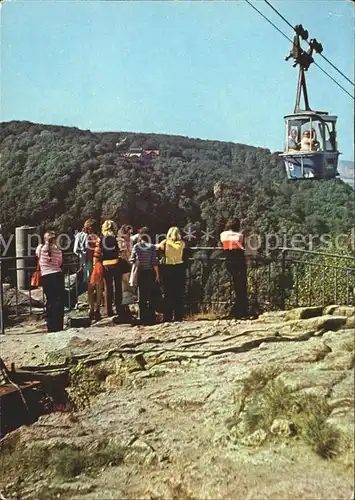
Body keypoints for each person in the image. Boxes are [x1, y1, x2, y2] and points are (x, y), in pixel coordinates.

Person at [220, 219, 248, 319]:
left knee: (235, 284)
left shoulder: (223, 234)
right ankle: (241, 309)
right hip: (239, 261)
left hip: (229, 261)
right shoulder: (240, 236)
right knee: (241, 285)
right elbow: (242, 247)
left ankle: (236, 309)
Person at [36, 231, 65, 332]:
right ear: (54, 239)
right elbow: (59, 262)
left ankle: (51, 325)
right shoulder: (58, 250)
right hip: (57, 275)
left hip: (46, 276)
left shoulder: (40, 249)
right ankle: (59, 325)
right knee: (59, 301)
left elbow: (37, 256)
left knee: (50, 300)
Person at [156, 226, 185, 322]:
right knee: (179, 293)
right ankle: (178, 315)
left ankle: (167, 315)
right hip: (179, 267)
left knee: (168, 292)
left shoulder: (165, 242)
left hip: (167, 268)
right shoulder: (182, 243)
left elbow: (157, 247)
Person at [130, 233, 159, 325]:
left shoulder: (136, 246)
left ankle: (142, 317)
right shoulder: (152, 247)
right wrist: (157, 274)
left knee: (141, 295)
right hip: (150, 272)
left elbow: (132, 259)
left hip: (140, 272)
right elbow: (154, 262)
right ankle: (151, 316)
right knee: (150, 294)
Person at [97, 220, 122, 317]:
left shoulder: (101, 239)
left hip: (105, 264)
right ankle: (119, 307)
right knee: (118, 286)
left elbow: (100, 252)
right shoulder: (114, 238)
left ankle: (109, 310)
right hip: (115, 262)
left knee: (108, 287)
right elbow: (117, 250)